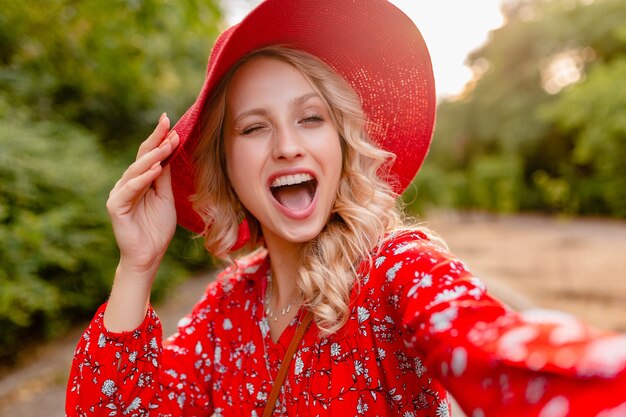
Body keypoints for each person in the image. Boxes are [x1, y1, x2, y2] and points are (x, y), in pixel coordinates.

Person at [66, 1, 626, 416]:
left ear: (340, 145)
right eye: (255, 127)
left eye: (311, 118)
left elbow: (493, 350)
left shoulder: (398, 270)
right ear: (227, 167)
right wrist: (136, 265)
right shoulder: (228, 308)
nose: (287, 144)